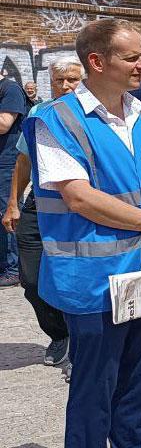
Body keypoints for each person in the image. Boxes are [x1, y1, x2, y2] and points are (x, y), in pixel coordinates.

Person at [26, 19, 141, 446]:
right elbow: (79, 198)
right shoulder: (55, 121)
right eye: (133, 57)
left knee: (135, 398)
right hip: (93, 284)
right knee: (94, 398)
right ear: (96, 62)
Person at [2, 58, 84, 376]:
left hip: (82, 207)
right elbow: (23, 162)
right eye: (59, 80)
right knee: (31, 279)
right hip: (40, 204)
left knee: (78, 279)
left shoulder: (95, 116)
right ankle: (59, 333)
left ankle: (83, 348)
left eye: (72, 80)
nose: (65, 86)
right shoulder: (39, 113)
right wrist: (13, 203)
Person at [0, 69, 29, 287]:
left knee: (7, 212)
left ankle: (13, 268)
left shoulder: (9, 89)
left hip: (7, 162)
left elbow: (4, 124)